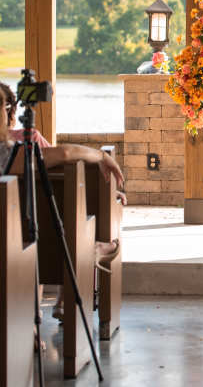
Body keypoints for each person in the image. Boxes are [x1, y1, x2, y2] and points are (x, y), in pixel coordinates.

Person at [0, 82, 123, 321]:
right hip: (21, 250)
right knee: (61, 233)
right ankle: (92, 251)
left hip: (13, 243)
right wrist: (101, 155)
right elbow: (65, 153)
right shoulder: (8, 154)